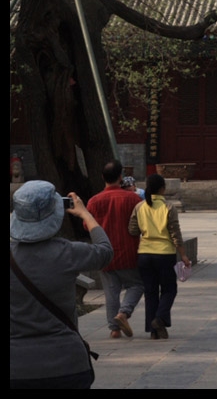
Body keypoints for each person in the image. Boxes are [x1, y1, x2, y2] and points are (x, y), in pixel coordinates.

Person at [10, 179, 113, 390]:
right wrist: (86, 215)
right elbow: (105, 251)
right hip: (68, 364)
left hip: (17, 368)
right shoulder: (68, 252)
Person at [127, 173, 191, 339]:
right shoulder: (168, 207)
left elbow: (132, 230)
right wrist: (183, 255)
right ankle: (160, 318)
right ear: (163, 188)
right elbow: (175, 233)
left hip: (144, 254)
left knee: (151, 292)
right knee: (169, 289)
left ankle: (154, 331)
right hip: (164, 254)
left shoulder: (139, 207)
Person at [86, 159, 144, 339]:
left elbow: (87, 225)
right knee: (137, 284)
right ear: (121, 177)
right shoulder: (133, 199)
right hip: (128, 251)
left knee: (111, 292)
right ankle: (124, 312)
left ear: (103, 177)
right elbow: (141, 224)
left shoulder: (94, 201)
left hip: (104, 253)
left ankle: (114, 329)